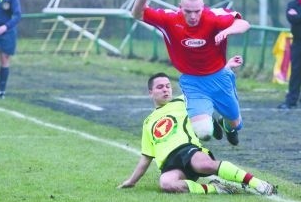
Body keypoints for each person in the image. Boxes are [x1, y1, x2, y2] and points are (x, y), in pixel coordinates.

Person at [132, 0, 250, 146]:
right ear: (180, 7)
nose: (193, 16)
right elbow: (137, 14)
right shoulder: (169, 19)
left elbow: (243, 24)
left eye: (197, 11)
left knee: (235, 123)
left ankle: (227, 125)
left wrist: (227, 31)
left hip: (219, 78)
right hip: (192, 81)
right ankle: (209, 121)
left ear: (203, 7)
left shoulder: (214, 17)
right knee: (204, 133)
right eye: (188, 11)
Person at [117, 70, 276, 195]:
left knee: (204, 165)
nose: (165, 90)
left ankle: (258, 184)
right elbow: (146, 157)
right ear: (150, 92)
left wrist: (224, 67)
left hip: (187, 150)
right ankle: (217, 189)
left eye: (167, 86)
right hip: (169, 163)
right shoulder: (148, 122)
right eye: (160, 87)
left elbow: (203, 85)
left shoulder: (183, 101)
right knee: (166, 183)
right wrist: (131, 181)